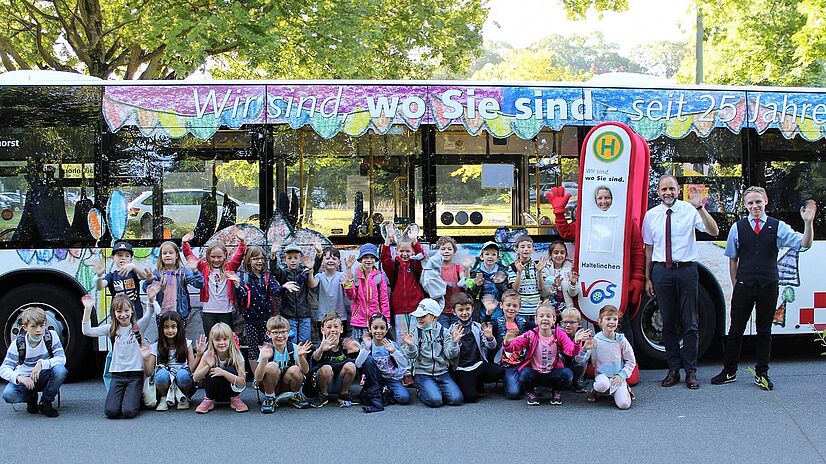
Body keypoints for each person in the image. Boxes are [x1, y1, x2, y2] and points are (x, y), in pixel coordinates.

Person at [711, 188, 816, 390]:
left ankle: (762, 373)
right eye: (750, 203)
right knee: (735, 330)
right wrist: (735, 284)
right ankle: (729, 370)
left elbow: (805, 244)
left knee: (764, 331)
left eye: (758, 202)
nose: (754, 206)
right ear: (745, 205)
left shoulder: (778, 227)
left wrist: (808, 223)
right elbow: (733, 258)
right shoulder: (738, 227)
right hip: (744, 285)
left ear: (766, 201)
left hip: (768, 285)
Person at [642, 175, 719, 389]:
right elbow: (648, 248)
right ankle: (673, 369)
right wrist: (647, 277)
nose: (668, 192)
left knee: (690, 322)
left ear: (678, 190)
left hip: (686, 271)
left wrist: (701, 208)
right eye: (664, 189)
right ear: (658, 192)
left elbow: (714, 231)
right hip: (661, 272)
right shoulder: (651, 215)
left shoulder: (689, 210)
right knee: (668, 323)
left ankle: (691, 372)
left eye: (672, 189)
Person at [546, 185, 645, 339]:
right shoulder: (587, 221)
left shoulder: (627, 221)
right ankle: (603, 362)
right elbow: (567, 232)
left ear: (614, 199)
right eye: (600, 198)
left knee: (620, 326)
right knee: (597, 322)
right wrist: (559, 213)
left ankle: (628, 362)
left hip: (618, 284)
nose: (603, 201)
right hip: (594, 283)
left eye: (607, 197)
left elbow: (637, 251)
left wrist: (637, 278)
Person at [81, 288, 159, 419]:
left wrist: (151, 299)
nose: (123, 315)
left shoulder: (138, 327)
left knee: (129, 412)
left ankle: (135, 397)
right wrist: (88, 309)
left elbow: (149, 313)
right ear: (114, 313)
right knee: (111, 412)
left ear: (132, 310)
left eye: (126, 311)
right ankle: (128, 397)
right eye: (119, 311)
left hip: (135, 375)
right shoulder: (111, 329)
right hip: (117, 375)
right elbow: (87, 331)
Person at [505, 302, 584, 406]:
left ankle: (557, 392)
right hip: (535, 374)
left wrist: (577, 342)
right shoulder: (530, 334)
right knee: (524, 373)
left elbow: (571, 351)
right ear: (536, 320)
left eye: (548, 316)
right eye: (541, 316)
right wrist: (507, 342)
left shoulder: (559, 333)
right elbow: (513, 348)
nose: (545, 319)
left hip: (552, 373)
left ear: (554, 320)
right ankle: (531, 393)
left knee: (567, 374)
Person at [233, 245, 296, 375]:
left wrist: (284, 287)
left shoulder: (268, 276)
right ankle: (257, 377)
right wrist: (237, 286)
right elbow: (240, 295)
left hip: (266, 320)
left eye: (262, 258)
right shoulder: (244, 276)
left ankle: (268, 374)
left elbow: (275, 291)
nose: (259, 261)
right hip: (250, 319)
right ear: (249, 260)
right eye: (255, 258)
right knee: (253, 349)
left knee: (267, 347)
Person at [1, 307, 67, 417]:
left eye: (42, 326)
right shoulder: (17, 344)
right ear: (25, 327)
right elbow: (4, 368)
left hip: (44, 375)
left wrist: (41, 363)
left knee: (60, 370)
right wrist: (19, 377)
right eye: (33, 326)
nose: (39, 330)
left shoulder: (51, 336)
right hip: (25, 379)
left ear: (45, 324)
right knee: (9, 395)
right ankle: (31, 397)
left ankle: (46, 402)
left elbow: (61, 358)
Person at [182, 227, 247, 335]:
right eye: (213, 257)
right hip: (209, 312)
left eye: (219, 257)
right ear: (208, 256)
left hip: (226, 311)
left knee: (226, 340)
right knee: (210, 339)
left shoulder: (229, 268)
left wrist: (242, 242)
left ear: (225, 256)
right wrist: (185, 244)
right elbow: (190, 257)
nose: (216, 260)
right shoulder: (204, 268)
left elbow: (238, 256)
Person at [401, 298, 463, 408]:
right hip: (423, 373)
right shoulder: (416, 332)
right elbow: (411, 356)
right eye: (418, 316)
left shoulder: (444, 332)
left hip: (442, 372)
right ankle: (422, 389)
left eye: (423, 316)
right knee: (435, 401)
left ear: (434, 317)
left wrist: (454, 342)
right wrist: (410, 346)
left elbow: (450, 355)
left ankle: (434, 388)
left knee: (456, 399)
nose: (419, 319)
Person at [577, 305, 637, 409]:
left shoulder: (621, 339)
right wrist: (584, 349)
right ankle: (596, 390)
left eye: (615, 319)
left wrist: (621, 375)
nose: (612, 322)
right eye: (608, 318)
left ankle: (623, 388)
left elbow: (631, 361)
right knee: (602, 385)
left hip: (617, 376)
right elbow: (580, 360)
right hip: (602, 375)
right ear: (600, 321)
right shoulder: (596, 339)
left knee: (624, 405)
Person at [448, 293, 503, 403]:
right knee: (470, 398)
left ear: (472, 309)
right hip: (462, 369)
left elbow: (491, 346)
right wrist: (454, 342)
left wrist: (490, 338)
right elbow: (450, 355)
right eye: (461, 310)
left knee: (500, 371)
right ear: (454, 312)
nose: (464, 313)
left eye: (467, 309)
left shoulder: (477, 327)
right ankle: (464, 383)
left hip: (477, 365)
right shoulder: (450, 331)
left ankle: (477, 381)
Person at [380, 228, 425, 356]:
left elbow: (421, 255)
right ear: (396, 251)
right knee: (402, 339)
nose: (405, 254)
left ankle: (416, 366)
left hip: (416, 309)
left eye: (408, 251)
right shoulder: (394, 266)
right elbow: (385, 259)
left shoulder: (415, 264)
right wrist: (388, 239)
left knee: (415, 338)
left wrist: (415, 240)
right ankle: (404, 368)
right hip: (399, 309)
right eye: (401, 251)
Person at [146, 311, 204, 411]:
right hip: (165, 378)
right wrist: (143, 356)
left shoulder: (186, 343)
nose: (170, 330)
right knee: (161, 375)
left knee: (183, 375)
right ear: (161, 329)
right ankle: (163, 398)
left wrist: (199, 355)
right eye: (166, 327)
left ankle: (184, 397)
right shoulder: (156, 346)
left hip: (182, 377)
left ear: (179, 328)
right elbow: (149, 371)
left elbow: (191, 368)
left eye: (173, 327)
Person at [255, 316, 313, 413]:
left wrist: (300, 356)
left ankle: (294, 394)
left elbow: (306, 371)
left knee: (295, 369)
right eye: (276, 332)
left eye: (283, 332)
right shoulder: (267, 350)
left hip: (287, 383)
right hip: (270, 384)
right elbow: (258, 377)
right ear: (268, 334)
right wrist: (264, 359)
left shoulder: (293, 347)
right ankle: (269, 398)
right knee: (271, 366)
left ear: (289, 332)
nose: (280, 335)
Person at [305, 312, 360, 408]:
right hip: (325, 381)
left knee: (351, 366)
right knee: (326, 368)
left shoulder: (345, 344)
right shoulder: (321, 345)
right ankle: (323, 395)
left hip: (340, 381)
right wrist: (321, 349)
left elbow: (358, 359)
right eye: (329, 327)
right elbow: (315, 358)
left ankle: (343, 394)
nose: (333, 330)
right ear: (322, 330)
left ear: (341, 329)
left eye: (336, 327)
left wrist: (359, 349)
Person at [354, 313, 411, 407]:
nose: (378, 331)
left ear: (386, 329)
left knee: (403, 398)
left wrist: (393, 351)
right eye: (375, 328)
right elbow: (358, 364)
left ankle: (386, 392)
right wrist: (366, 349)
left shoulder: (392, 344)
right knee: (368, 359)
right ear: (370, 329)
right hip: (375, 380)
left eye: (382, 328)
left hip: (391, 378)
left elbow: (404, 364)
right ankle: (380, 392)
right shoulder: (367, 344)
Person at [193, 322, 248, 413]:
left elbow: (242, 383)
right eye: (217, 340)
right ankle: (209, 399)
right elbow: (195, 378)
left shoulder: (237, 356)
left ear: (230, 340)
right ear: (212, 341)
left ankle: (235, 398)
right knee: (211, 371)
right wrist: (207, 366)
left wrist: (223, 373)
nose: (221, 343)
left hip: (231, 390)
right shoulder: (208, 355)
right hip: (214, 390)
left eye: (225, 339)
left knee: (231, 369)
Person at [488, 290, 532, 399]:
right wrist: (488, 314)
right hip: (505, 363)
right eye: (508, 305)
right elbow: (485, 326)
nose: (511, 308)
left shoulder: (523, 322)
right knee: (513, 394)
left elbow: (537, 330)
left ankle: (525, 383)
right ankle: (511, 381)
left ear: (519, 307)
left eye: (515, 306)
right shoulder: (496, 322)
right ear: (501, 305)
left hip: (522, 361)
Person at [271, 243, 318, 344]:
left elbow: (315, 269)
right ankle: (293, 360)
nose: (293, 260)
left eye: (296, 258)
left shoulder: (304, 272)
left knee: (305, 343)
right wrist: (273, 256)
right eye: (289, 258)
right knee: (291, 342)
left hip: (304, 314)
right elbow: (274, 270)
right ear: (285, 260)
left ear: (300, 259)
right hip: (288, 315)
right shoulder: (283, 273)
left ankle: (303, 359)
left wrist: (319, 254)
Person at [148, 241, 204, 322]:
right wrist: (149, 281)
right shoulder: (158, 273)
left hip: (180, 313)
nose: (167, 255)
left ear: (177, 255)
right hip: (162, 313)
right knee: (163, 334)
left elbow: (200, 285)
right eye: (164, 253)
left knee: (180, 334)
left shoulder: (184, 272)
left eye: (171, 253)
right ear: (161, 256)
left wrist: (195, 270)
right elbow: (146, 290)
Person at [343, 243, 390, 341]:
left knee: (374, 349)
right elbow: (351, 296)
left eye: (372, 257)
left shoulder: (379, 277)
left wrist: (386, 320)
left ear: (375, 260)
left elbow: (384, 300)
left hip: (375, 323)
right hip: (358, 322)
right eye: (365, 257)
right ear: (360, 260)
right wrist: (348, 281)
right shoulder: (356, 275)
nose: (369, 260)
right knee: (358, 350)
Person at [93, 240, 152, 317]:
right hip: (118, 315)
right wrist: (99, 275)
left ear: (131, 258)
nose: (123, 258)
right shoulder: (111, 276)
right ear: (113, 257)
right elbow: (99, 286)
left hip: (135, 314)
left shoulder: (134, 273)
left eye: (127, 256)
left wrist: (134, 267)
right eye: (119, 255)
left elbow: (145, 276)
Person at [507, 235, 548, 321]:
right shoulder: (512, 267)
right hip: (520, 311)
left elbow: (541, 288)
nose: (526, 249)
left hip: (535, 310)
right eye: (522, 247)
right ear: (516, 249)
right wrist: (519, 272)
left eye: (529, 247)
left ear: (533, 249)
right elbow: (515, 290)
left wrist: (539, 271)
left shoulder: (537, 265)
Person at [314, 246, 351, 338]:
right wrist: (310, 270)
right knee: (324, 343)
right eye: (327, 258)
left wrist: (348, 268)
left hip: (340, 317)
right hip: (322, 317)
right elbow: (312, 284)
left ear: (338, 262)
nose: (331, 260)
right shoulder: (319, 276)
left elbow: (349, 285)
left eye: (334, 258)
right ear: (322, 262)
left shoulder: (342, 275)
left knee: (340, 343)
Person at [467, 241, 508, 320]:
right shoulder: (475, 274)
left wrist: (499, 284)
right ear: (481, 257)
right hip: (480, 314)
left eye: (493, 254)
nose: (490, 257)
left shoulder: (502, 274)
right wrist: (477, 286)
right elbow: (470, 295)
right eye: (487, 254)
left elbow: (506, 294)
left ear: (497, 258)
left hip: (498, 314)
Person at [435, 236, 467, 328]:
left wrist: (463, 281)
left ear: (454, 252)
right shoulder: (436, 268)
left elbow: (463, 278)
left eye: (449, 249)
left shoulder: (458, 267)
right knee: (444, 335)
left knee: (457, 333)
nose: (446, 251)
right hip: (441, 310)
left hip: (457, 309)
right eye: (443, 249)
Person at [559, 307, 589, 393]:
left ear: (579, 324)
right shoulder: (557, 335)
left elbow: (583, 359)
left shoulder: (583, 336)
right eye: (565, 322)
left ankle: (576, 380)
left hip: (575, 362)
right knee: (557, 356)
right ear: (561, 323)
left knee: (581, 361)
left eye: (572, 322)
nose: (568, 325)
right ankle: (557, 380)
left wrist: (585, 348)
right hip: (561, 364)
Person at [546, 240, 579, 318]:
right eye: (556, 252)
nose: (559, 255)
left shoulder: (571, 269)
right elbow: (543, 292)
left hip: (566, 308)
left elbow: (573, 294)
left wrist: (573, 283)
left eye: (562, 252)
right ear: (550, 255)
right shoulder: (545, 268)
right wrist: (554, 286)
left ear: (566, 255)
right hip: (549, 307)